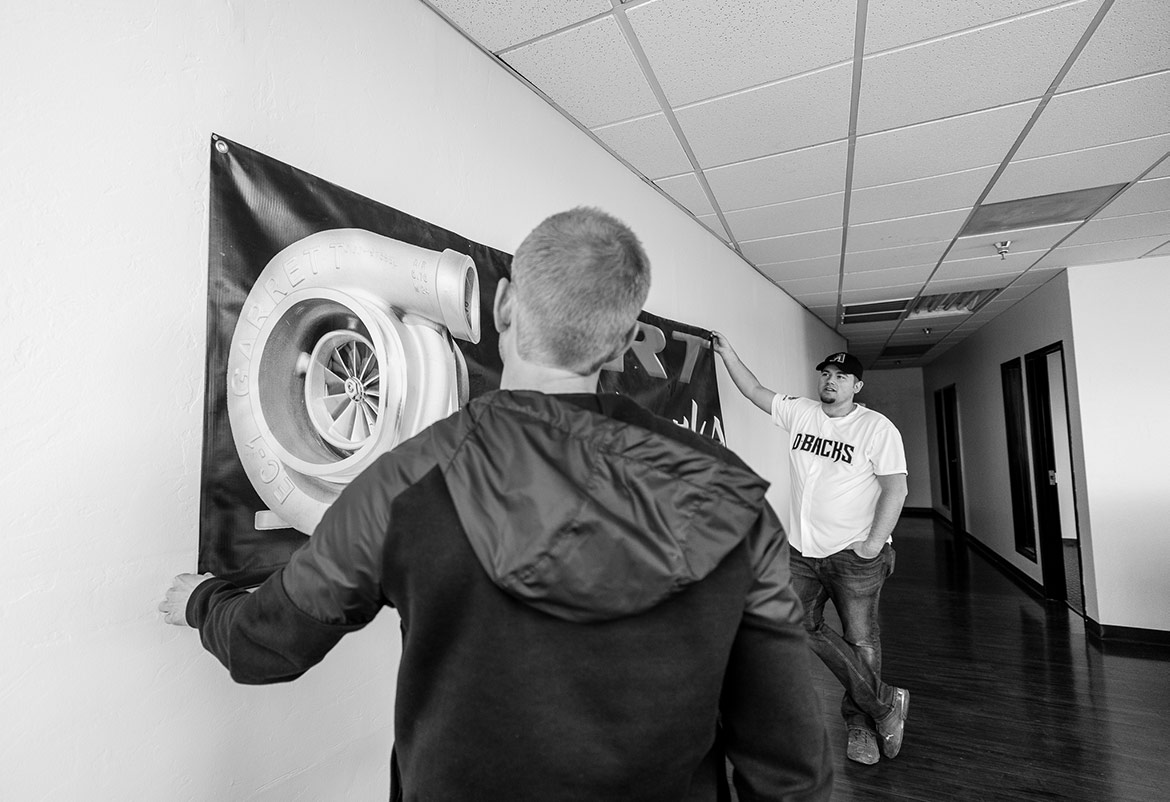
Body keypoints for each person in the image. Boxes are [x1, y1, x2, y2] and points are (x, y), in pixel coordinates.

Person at [162, 207, 832, 801]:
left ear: (506, 306)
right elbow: (791, 763)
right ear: (626, 343)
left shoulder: (403, 481)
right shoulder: (732, 494)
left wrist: (203, 604)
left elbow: (268, 646)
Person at [710, 335, 909, 767]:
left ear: (857, 385)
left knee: (861, 641)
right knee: (797, 623)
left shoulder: (876, 428)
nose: (831, 381)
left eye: (841, 376)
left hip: (854, 554)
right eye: (827, 374)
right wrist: (728, 355)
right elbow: (754, 390)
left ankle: (860, 725)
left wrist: (873, 545)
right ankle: (884, 703)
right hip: (802, 551)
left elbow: (897, 489)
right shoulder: (802, 412)